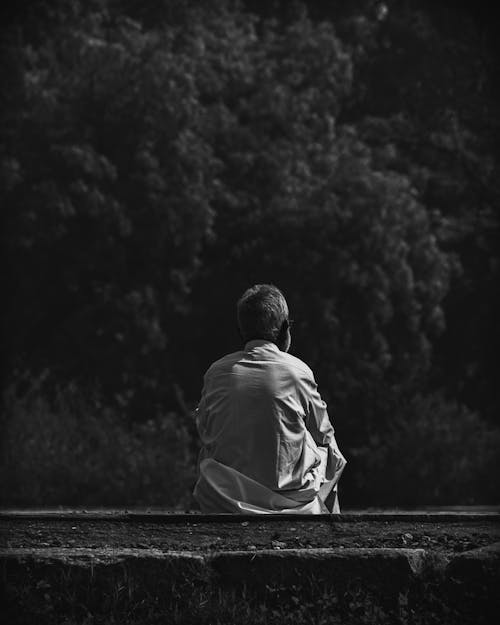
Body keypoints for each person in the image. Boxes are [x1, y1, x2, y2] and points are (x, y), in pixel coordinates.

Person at [193, 284, 346, 514]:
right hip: (291, 505)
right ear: (285, 329)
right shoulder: (297, 371)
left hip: (224, 500)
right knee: (328, 447)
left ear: (240, 330)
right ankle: (331, 531)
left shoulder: (216, 372)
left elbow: (204, 430)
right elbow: (324, 436)